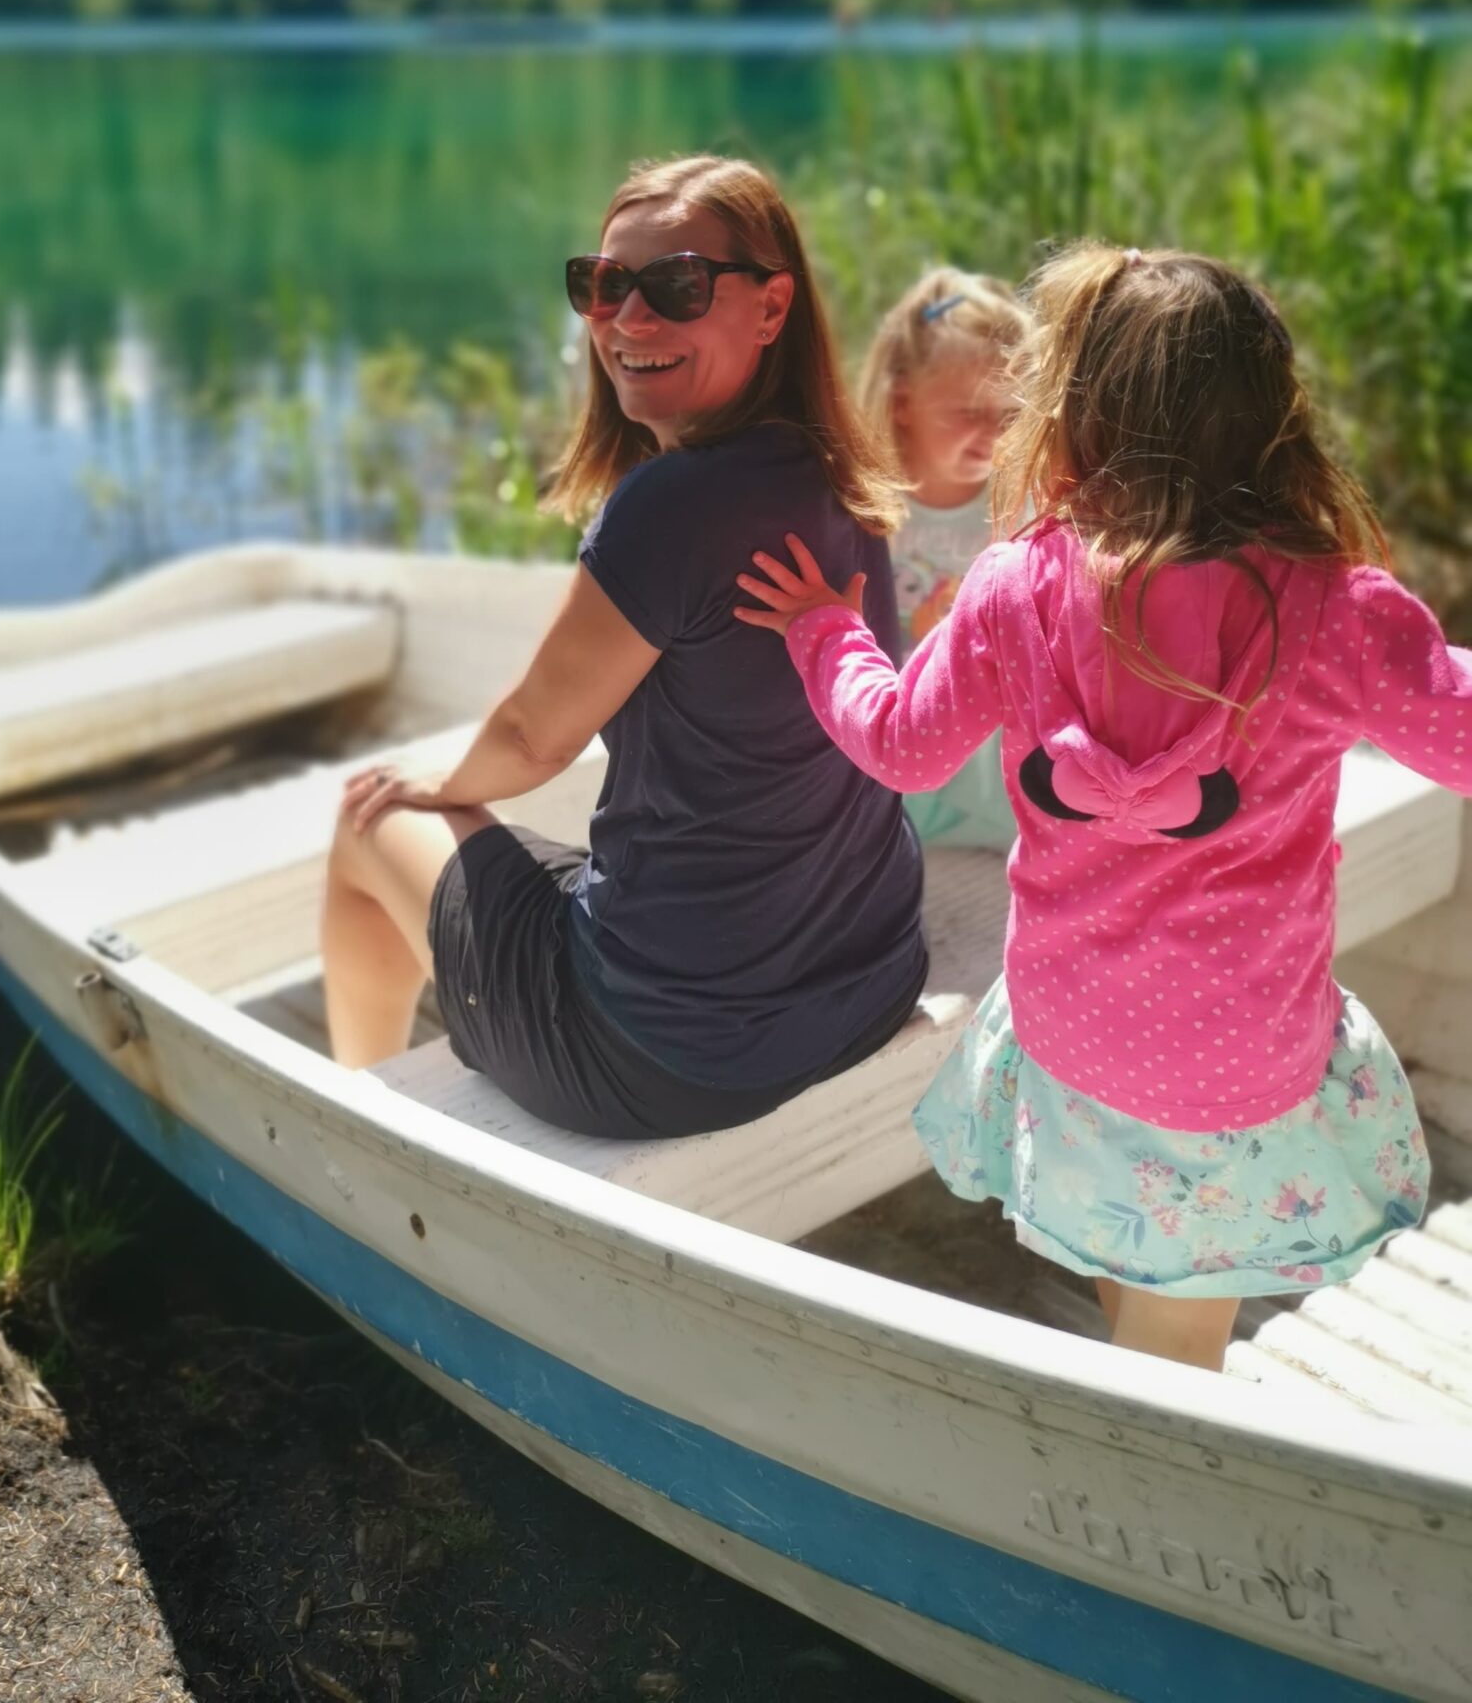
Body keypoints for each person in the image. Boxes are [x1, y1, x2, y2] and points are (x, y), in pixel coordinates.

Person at [736, 242, 1472, 1371]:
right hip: (1238, 1062)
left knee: (1135, 1275)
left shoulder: (1015, 586)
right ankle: (1135, 1505)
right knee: (1177, 1359)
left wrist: (824, 631)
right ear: (1272, 420)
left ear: (1077, 413)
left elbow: (899, 747)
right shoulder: (1337, 611)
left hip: (1070, 1036)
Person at [320, 153, 928, 1141]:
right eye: (603, 286)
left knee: (366, 811)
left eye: (677, 286)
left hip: (662, 1052)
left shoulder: (670, 507)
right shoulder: (842, 473)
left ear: (771, 308)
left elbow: (532, 741)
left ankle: (355, 1116)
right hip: (868, 976)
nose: (629, 320)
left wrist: (434, 786)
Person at [857, 267, 1030, 847]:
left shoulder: (1027, 502)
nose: (992, 435)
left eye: (1010, 416)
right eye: (967, 412)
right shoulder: (861, 502)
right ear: (903, 401)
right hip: (894, 779)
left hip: (1003, 793)